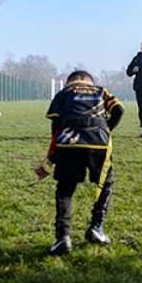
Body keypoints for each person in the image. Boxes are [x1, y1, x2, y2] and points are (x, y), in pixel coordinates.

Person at [45, 70, 125, 255]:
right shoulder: (100, 91)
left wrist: (53, 154)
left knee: (65, 189)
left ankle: (63, 238)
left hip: (69, 141)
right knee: (106, 183)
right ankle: (96, 227)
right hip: (98, 142)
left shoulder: (64, 93)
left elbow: (56, 125)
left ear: (69, 83)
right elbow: (119, 110)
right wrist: (106, 129)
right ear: (90, 82)